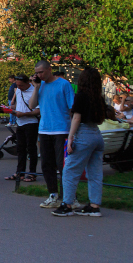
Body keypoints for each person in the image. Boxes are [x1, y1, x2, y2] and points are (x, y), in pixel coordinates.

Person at [54, 68, 108, 217]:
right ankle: (94, 206)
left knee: (70, 170)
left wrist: (70, 138)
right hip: (97, 134)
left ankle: (67, 204)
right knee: (95, 173)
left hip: (83, 135)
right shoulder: (99, 98)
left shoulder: (81, 96)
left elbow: (76, 118)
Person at [29, 59, 74, 208]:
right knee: (47, 163)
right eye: (37, 73)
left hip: (62, 129)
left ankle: (67, 197)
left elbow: (71, 108)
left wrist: (73, 133)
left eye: (41, 72)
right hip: (44, 129)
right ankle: (53, 194)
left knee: (63, 165)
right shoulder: (39, 86)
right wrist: (35, 87)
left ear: (49, 69)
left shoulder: (63, 84)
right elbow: (31, 105)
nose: (39, 75)